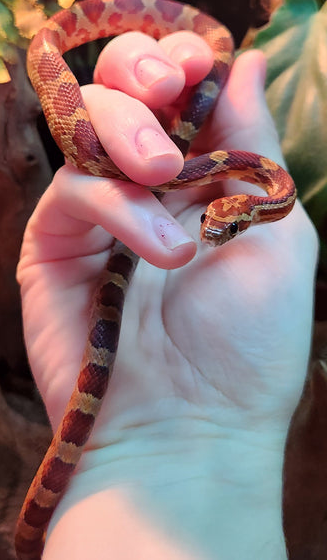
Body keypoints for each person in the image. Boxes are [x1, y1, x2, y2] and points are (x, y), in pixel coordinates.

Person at [17, 27, 317, 560]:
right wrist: (132, 451)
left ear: (250, 214)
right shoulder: (245, 189)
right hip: (129, 435)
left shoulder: (269, 202)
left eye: (221, 231)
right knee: (147, 137)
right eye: (210, 222)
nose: (209, 233)